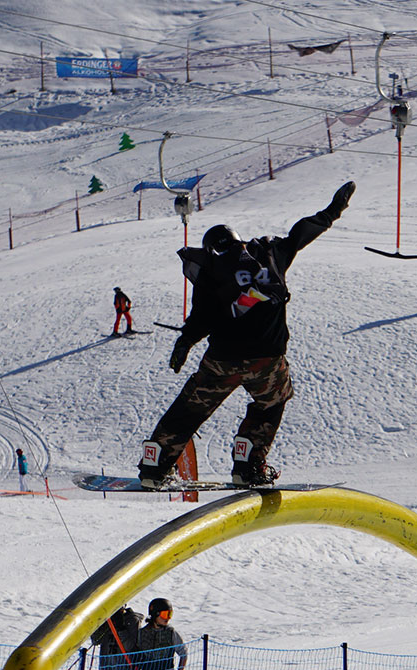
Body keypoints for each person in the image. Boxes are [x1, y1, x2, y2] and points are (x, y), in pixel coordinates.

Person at [139, 182, 355, 489]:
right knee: (271, 404)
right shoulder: (268, 253)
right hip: (267, 359)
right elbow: (299, 235)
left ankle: (155, 466)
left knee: (190, 409)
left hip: (221, 361)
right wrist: (331, 212)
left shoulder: (209, 270)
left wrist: (184, 342)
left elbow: (201, 318)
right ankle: (247, 465)